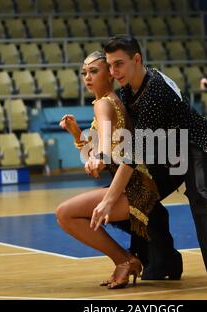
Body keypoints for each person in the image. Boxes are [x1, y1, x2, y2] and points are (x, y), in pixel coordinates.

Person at [87, 35, 207, 298]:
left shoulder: (155, 92)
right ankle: (163, 260)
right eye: (110, 65)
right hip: (164, 151)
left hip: (194, 145)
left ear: (137, 59)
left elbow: (133, 155)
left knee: (202, 197)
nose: (114, 71)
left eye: (119, 64)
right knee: (141, 194)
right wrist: (98, 153)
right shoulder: (128, 89)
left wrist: (108, 199)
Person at [56, 51, 183, 289]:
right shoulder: (110, 101)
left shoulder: (104, 104)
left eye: (94, 71)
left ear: (110, 74)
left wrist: (100, 157)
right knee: (68, 213)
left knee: (65, 214)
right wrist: (76, 133)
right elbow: (93, 154)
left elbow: (102, 148)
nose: (87, 77)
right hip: (134, 185)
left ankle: (125, 260)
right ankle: (128, 260)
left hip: (133, 189)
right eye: (84, 72)